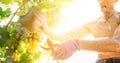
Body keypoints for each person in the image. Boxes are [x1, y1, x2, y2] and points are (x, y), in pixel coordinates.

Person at [35, 0, 120, 63]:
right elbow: (65, 36)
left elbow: (117, 44)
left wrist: (76, 44)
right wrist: (46, 29)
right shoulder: (92, 24)